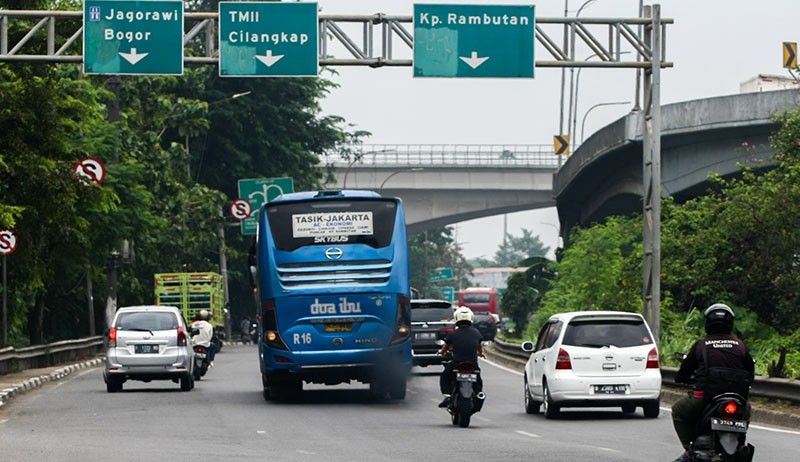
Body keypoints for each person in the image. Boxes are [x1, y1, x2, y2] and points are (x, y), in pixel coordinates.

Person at [670, 303, 755, 462]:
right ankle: (740, 444)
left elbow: (684, 372)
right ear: (730, 323)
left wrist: (681, 379)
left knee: (678, 411)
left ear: (707, 323)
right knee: (747, 410)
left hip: (705, 398)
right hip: (736, 399)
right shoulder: (741, 346)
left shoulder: (701, 345)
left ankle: (690, 449)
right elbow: (750, 371)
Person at [437, 306, 485, 408]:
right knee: (478, 378)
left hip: (457, 363)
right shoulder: (476, 333)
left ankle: (448, 395)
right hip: (472, 364)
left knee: (445, 376)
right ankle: (478, 394)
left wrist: (441, 352)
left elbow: (445, 348)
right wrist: (480, 354)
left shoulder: (453, 334)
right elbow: (480, 347)